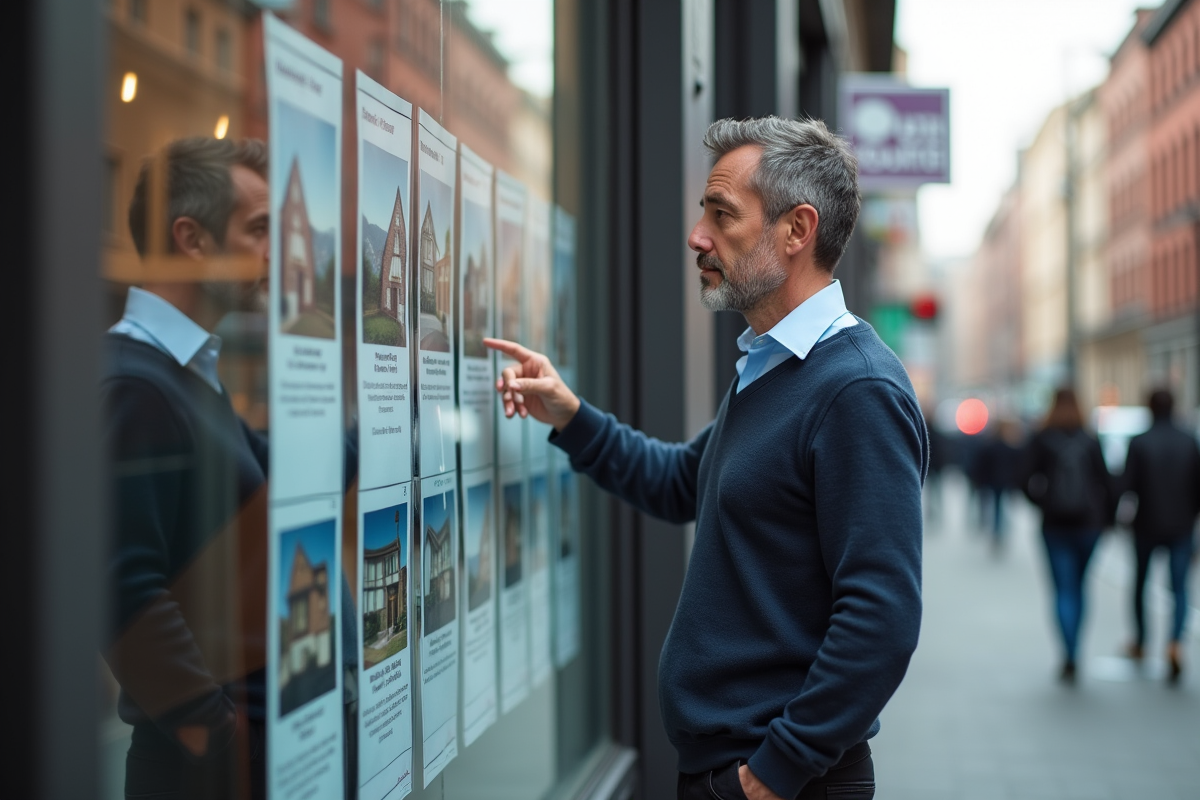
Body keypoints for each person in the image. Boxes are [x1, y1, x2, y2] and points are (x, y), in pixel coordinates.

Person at [488, 117, 925, 800]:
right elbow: (682, 482)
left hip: (780, 783)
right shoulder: (774, 366)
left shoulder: (854, 389)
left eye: (723, 216)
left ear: (796, 230)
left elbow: (882, 617)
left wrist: (769, 775)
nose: (698, 236)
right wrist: (569, 416)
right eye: (704, 215)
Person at [103, 137, 358, 799]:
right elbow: (121, 587)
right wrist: (216, 733)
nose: (279, 251)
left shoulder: (187, 375)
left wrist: (404, 408)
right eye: (259, 228)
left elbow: (281, 477)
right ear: (190, 238)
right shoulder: (136, 382)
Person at [1021, 388, 1113, 683]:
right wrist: (1105, 519)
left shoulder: (1042, 437)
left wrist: (1042, 502)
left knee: (1063, 589)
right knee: (1080, 587)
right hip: (1088, 525)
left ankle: (1069, 653)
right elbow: (1107, 482)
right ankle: (1077, 649)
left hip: (1054, 525)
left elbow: (1022, 479)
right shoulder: (1089, 437)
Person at [1120, 388, 1199, 683]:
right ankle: (1175, 643)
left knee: (1141, 584)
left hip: (1146, 525)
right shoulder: (1188, 439)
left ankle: (1141, 641)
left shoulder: (1139, 442)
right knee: (1179, 589)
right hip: (1181, 525)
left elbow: (1127, 486)